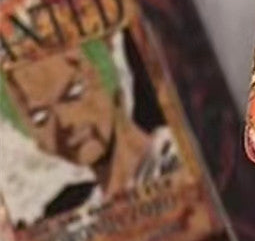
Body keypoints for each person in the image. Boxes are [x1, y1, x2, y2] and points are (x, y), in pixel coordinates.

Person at [2, 38, 179, 216]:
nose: (66, 122)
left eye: (75, 92)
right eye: (40, 117)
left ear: (109, 77)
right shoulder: (74, 212)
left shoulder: (180, 157)